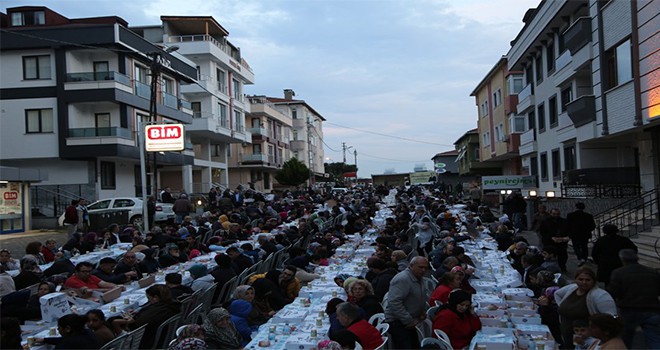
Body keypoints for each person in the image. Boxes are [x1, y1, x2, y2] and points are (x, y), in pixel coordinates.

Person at [607, 249, 660, 349]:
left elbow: (613, 292)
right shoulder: (651, 272)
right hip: (652, 308)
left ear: (622, 259)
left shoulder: (619, 273)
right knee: (654, 338)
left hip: (629, 309)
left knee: (626, 339)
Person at [554, 267, 617, 347]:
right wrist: (562, 306)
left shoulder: (601, 295)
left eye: (588, 280)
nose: (584, 282)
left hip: (588, 340)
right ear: (575, 280)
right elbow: (557, 294)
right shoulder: (572, 288)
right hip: (567, 335)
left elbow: (611, 317)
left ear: (593, 281)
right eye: (580, 279)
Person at [113, 284, 181, 349]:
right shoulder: (172, 305)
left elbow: (137, 326)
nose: (149, 301)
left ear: (155, 298)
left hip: (149, 340)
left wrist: (130, 320)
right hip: (165, 335)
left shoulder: (155, 311)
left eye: (149, 298)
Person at [384, 256, 430, 349]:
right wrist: (408, 320)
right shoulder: (402, 279)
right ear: (411, 266)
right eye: (420, 267)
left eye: (425, 267)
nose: (423, 270)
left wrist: (422, 311)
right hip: (398, 322)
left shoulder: (418, 277)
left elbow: (419, 296)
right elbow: (394, 302)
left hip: (410, 320)